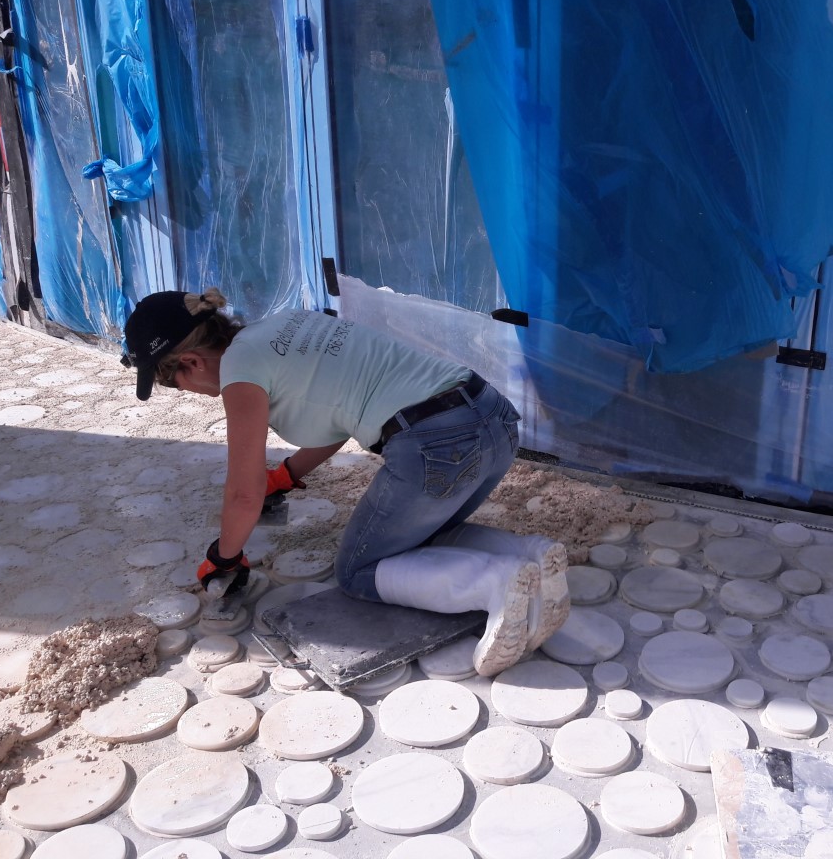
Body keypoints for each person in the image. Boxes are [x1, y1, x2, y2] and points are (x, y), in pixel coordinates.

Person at [122, 288, 569, 677]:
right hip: (492, 418)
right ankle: (530, 554)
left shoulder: (240, 371)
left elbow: (242, 493)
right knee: (417, 536)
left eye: (180, 386)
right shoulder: (285, 324)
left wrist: (224, 556)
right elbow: (335, 422)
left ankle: (497, 585)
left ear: (191, 362)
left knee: (358, 571)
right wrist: (287, 475)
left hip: (438, 445)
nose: (196, 393)